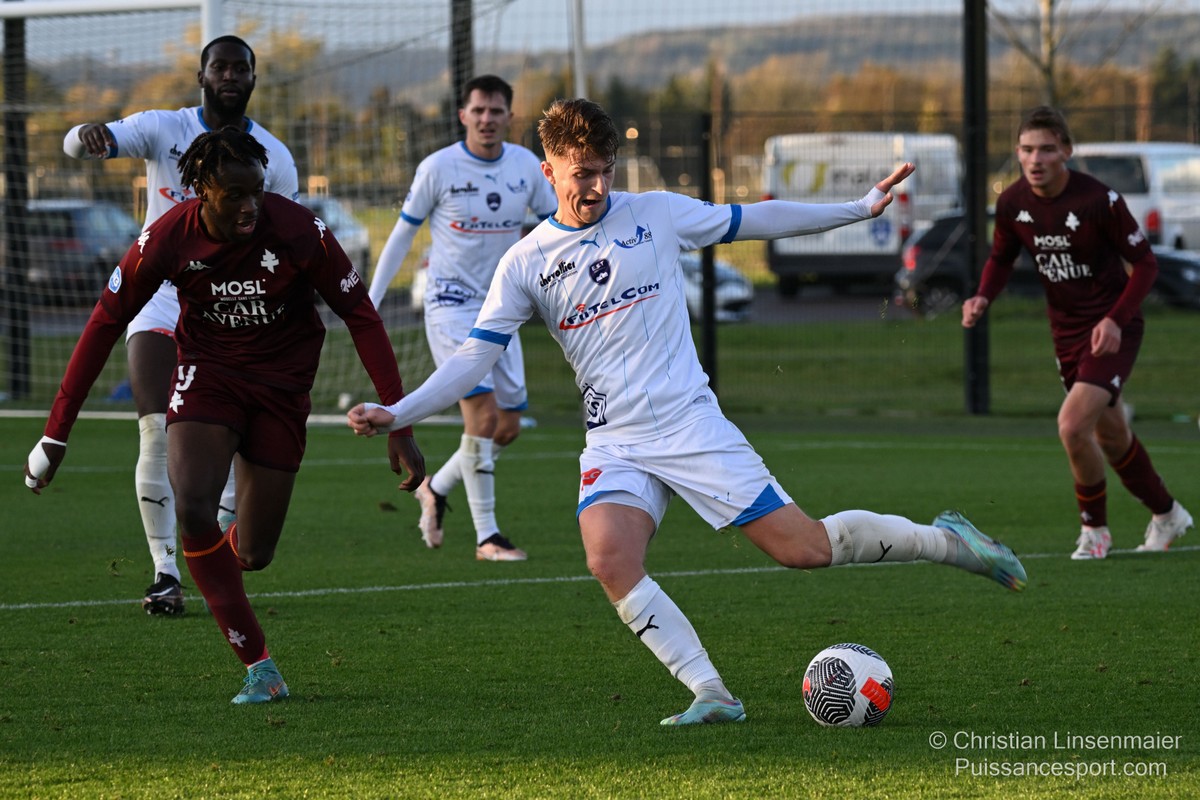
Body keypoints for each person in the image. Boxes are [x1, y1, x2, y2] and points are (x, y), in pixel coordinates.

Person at [347, 98, 1027, 726]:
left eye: (606, 171)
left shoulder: (656, 214)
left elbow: (754, 219)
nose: (597, 187)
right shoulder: (525, 263)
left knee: (805, 550)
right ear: (548, 171)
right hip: (614, 440)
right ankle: (713, 693)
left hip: (690, 426)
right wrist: (399, 411)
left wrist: (856, 208)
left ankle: (946, 542)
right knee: (609, 558)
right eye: (582, 174)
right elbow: (473, 358)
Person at [25, 128, 425, 704]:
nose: (249, 206)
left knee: (253, 554)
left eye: (256, 191)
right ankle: (260, 668)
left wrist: (399, 420)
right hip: (207, 376)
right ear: (200, 192)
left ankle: (214, 555)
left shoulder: (299, 230)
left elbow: (361, 314)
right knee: (193, 506)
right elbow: (104, 323)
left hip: (282, 388)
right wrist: (55, 435)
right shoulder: (167, 237)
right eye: (234, 195)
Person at [62, 35, 299, 616]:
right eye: (219, 66)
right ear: (201, 75)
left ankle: (215, 553)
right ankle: (164, 571)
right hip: (160, 298)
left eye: (240, 68)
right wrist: (85, 135)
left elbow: (283, 240)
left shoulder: (274, 156)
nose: (229, 75)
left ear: (253, 79)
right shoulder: (163, 127)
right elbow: (79, 143)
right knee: (155, 430)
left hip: (227, 307)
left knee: (230, 440)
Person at [962, 106, 1192, 560]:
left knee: (1071, 426)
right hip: (1067, 333)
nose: (1036, 159)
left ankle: (1095, 530)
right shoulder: (1012, 203)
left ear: (1066, 151)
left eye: (1047, 149)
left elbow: (1146, 265)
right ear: (1018, 153)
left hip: (1114, 327)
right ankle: (1168, 514)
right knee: (1111, 437)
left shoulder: (1098, 201)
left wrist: (1115, 320)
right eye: (1027, 149)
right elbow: (1001, 258)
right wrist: (983, 296)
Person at [368, 75, 557, 562]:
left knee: (507, 426)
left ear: (509, 117)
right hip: (450, 305)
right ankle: (487, 537)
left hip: (502, 308)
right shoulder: (438, 167)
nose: (486, 119)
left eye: (496, 111)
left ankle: (435, 489)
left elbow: (559, 222)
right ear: (463, 116)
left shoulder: (525, 166)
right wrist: (371, 299)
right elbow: (403, 234)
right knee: (484, 415)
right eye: (478, 111)